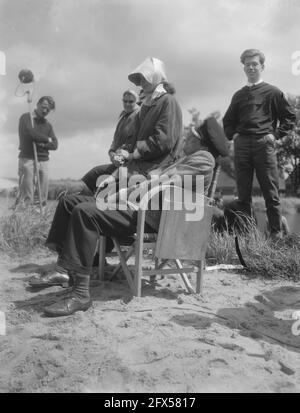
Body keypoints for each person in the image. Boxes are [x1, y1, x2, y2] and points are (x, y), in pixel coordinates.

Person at [42, 130, 219, 317]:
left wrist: (124, 194)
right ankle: (65, 268)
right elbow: (153, 178)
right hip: (140, 207)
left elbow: (166, 181)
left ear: (203, 144)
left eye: (191, 137)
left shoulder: (204, 158)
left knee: (85, 212)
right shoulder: (184, 159)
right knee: (70, 202)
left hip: (153, 219)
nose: (185, 139)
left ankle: (80, 294)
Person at [223, 49, 296, 240]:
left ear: (262, 66)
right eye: (247, 64)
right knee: (243, 195)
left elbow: (290, 117)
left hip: (264, 143)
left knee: (271, 192)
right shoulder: (238, 95)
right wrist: (235, 135)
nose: (251, 67)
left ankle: (276, 234)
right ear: (244, 68)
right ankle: (248, 235)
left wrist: (276, 135)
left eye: (255, 64)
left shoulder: (272, 92)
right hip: (242, 146)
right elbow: (227, 121)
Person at [79, 90, 140, 195]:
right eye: (125, 101)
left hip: (129, 165)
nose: (127, 104)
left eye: (131, 101)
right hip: (117, 161)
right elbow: (115, 142)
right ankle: (81, 201)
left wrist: (122, 156)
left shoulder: (139, 116)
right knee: (91, 176)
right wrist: (112, 154)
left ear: (137, 101)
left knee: (95, 174)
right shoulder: (123, 117)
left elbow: (133, 142)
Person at [15, 96, 57, 206]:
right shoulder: (26, 118)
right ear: (37, 104)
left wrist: (43, 144)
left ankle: (39, 217)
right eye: (43, 107)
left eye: (48, 110)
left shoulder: (48, 125)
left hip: (43, 160)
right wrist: (47, 139)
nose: (45, 111)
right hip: (27, 158)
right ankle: (24, 215)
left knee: (42, 193)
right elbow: (30, 133)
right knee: (26, 192)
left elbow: (55, 144)